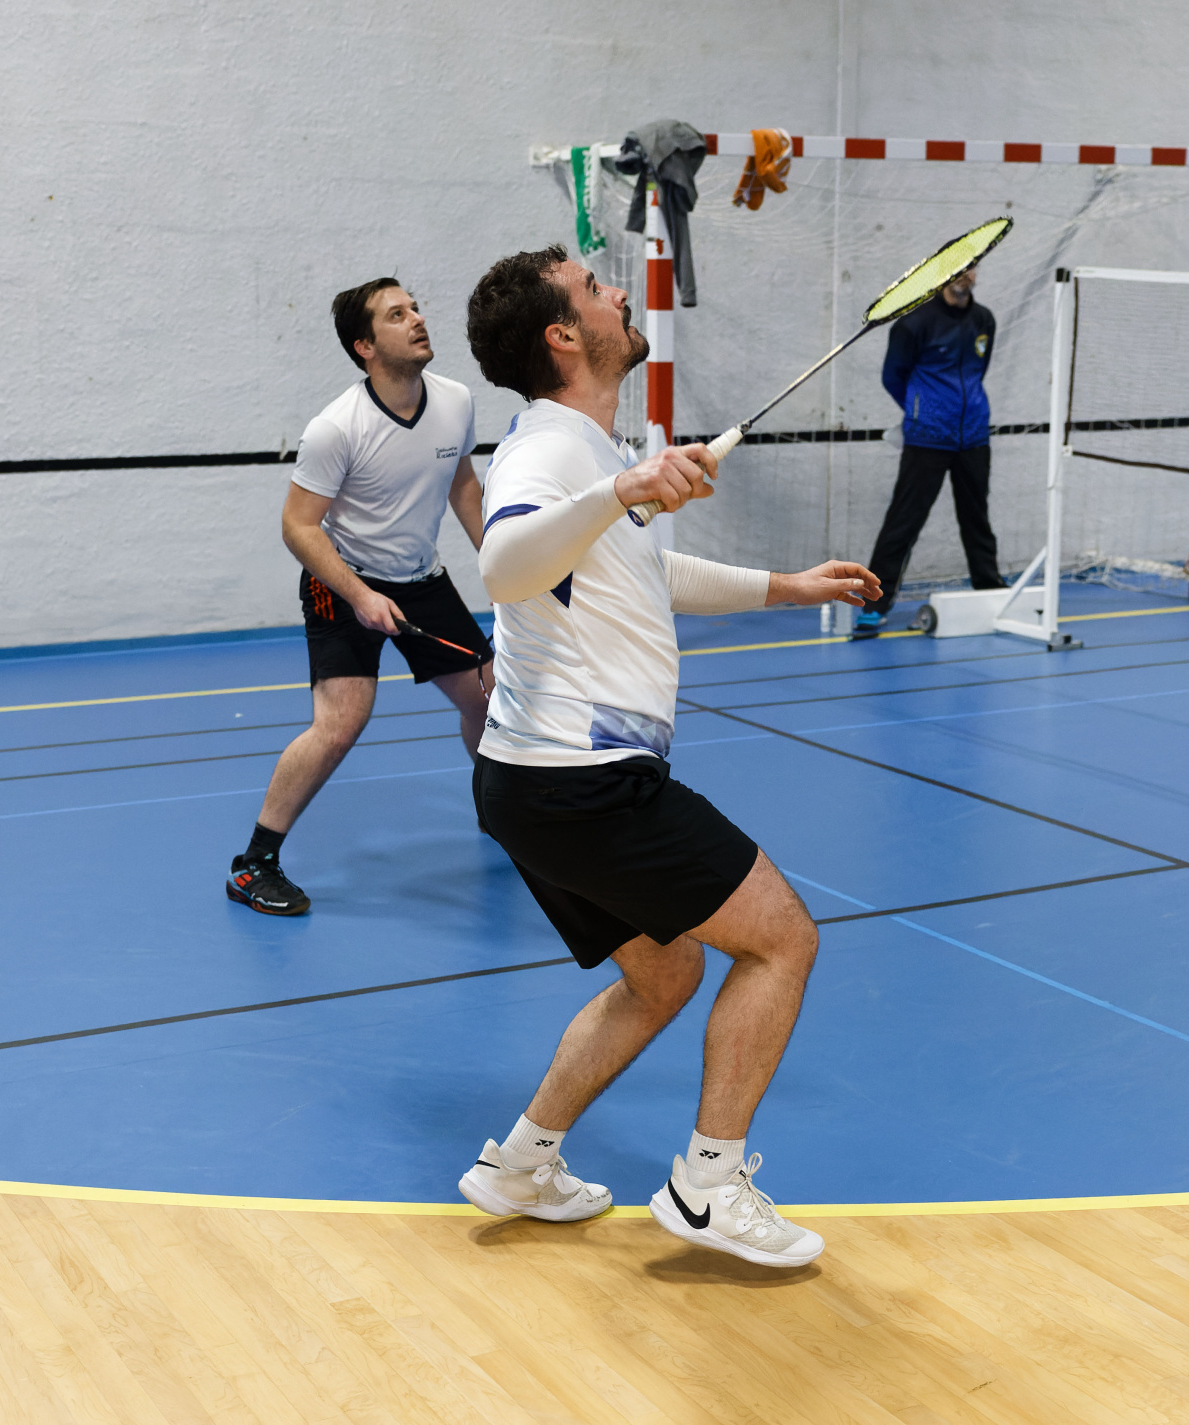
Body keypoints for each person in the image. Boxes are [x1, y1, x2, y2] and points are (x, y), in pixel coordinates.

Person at [455, 244, 880, 1267]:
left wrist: (786, 587)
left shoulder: (589, 452)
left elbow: (643, 568)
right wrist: (623, 487)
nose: (616, 291)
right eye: (593, 287)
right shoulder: (545, 452)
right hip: (587, 781)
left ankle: (522, 1162)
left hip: (528, 783)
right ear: (564, 336)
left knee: (664, 974)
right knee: (781, 941)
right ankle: (708, 1185)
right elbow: (503, 565)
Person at [226, 277, 495, 916]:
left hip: (421, 579)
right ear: (364, 347)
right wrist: (360, 596)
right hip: (341, 581)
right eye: (396, 315)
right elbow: (298, 527)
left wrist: (502, 562)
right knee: (341, 723)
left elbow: (462, 484)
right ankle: (253, 865)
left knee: (487, 701)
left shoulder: (455, 401)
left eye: (415, 308)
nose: (417, 319)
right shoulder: (336, 428)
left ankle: (501, 812)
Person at [852, 263, 1004, 637]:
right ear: (943, 273)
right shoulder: (914, 323)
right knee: (903, 522)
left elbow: (978, 370)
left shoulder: (984, 319)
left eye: (971, 268)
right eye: (958, 269)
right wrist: (923, 410)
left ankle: (991, 591)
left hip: (973, 438)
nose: (965, 275)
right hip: (927, 439)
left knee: (977, 520)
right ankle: (874, 604)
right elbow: (893, 376)